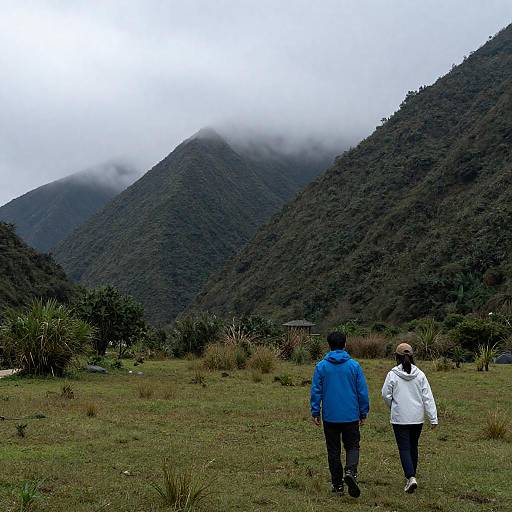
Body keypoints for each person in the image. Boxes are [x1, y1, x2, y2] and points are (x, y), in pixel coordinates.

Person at [310, 331, 370, 498]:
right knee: (352, 446)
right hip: (351, 415)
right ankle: (350, 471)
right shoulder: (354, 366)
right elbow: (362, 391)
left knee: (333, 450)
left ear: (329, 345)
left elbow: (316, 391)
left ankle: (337, 486)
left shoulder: (321, 366)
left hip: (330, 416)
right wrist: (363, 411)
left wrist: (315, 411)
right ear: (345, 344)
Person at [381, 343, 438, 494]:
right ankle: (411, 476)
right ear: (412, 356)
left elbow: (385, 394)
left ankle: (410, 477)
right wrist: (433, 418)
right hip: (417, 418)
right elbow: (428, 397)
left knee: (404, 448)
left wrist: (393, 406)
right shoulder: (420, 374)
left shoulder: (392, 374)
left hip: (400, 418)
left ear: (396, 357)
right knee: (413, 446)